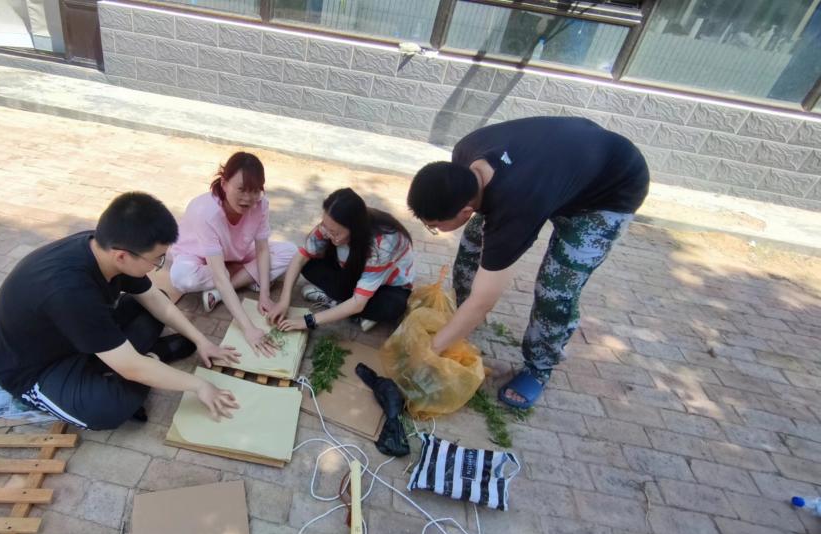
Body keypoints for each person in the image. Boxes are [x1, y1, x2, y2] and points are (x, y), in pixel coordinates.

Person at [407, 116, 649, 410]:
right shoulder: (465, 153)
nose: (433, 229)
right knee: (472, 246)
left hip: (606, 193)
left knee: (556, 289)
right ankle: (460, 318)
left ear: (466, 210)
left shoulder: (515, 204)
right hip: (562, 166)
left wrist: (430, 352)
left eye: (434, 226)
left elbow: (484, 300)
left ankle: (539, 368)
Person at [0, 192, 241, 430]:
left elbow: (153, 298)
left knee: (154, 304)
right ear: (122, 257)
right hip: (37, 369)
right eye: (157, 259)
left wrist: (202, 341)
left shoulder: (103, 247)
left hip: (74, 335)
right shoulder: (70, 291)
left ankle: (134, 361)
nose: (158, 266)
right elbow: (131, 369)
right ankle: (152, 358)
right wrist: (199, 385)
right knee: (109, 409)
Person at [170, 151, 297, 356]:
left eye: (255, 190)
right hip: (199, 257)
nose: (248, 198)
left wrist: (265, 295)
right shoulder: (206, 212)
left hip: (235, 254)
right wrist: (249, 329)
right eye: (241, 189)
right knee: (181, 278)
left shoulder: (261, 205)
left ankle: (219, 292)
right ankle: (243, 277)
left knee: (290, 252)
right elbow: (219, 276)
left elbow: (262, 249)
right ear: (224, 183)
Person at [268, 188, 415, 333]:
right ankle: (350, 309)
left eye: (335, 233)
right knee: (307, 264)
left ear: (355, 229)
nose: (327, 234)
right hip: (353, 275)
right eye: (325, 226)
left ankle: (341, 305)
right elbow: (300, 257)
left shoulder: (382, 243)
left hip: (386, 288)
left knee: (393, 307)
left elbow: (358, 303)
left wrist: (308, 321)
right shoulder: (330, 225)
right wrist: (283, 301)